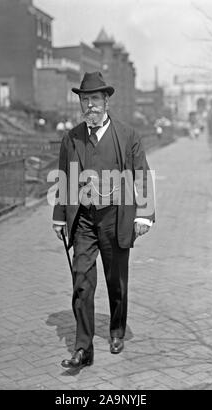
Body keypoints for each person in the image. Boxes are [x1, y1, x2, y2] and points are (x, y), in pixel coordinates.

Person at [52, 71, 155, 369]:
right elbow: (63, 179)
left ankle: (116, 331)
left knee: (116, 281)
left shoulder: (127, 136)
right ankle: (83, 348)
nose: (90, 106)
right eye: (85, 100)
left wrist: (144, 216)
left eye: (95, 99)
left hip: (116, 217)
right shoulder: (71, 138)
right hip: (83, 220)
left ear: (106, 101)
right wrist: (60, 217)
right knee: (81, 281)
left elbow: (142, 176)